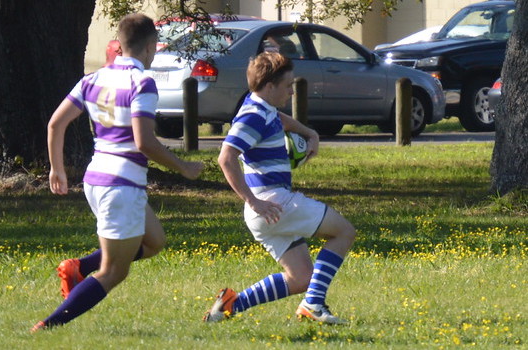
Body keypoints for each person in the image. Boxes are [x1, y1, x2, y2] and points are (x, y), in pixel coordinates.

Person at [31, 13, 204, 332]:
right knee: (114, 271)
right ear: (151, 47)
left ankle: (78, 267)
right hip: (121, 184)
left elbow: (56, 123)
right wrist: (184, 167)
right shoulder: (142, 83)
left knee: (155, 240)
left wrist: (58, 168)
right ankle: (49, 325)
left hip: (97, 179)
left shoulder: (93, 79)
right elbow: (144, 142)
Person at [203, 52, 356, 324]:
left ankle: (230, 305)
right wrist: (253, 201)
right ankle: (314, 304)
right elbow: (225, 158)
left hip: (267, 210)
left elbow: (282, 120)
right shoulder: (252, 115)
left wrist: (311, 133)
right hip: (273, 202)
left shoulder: (263, 108)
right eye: (288, 86)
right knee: (344, 232)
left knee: (301, 277)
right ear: (270, 86)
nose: (291, 92)